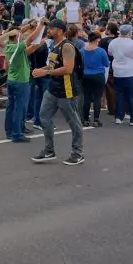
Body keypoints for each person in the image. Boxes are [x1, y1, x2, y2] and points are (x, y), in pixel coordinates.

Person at [31, 19, 85, 165]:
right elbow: (51, 66)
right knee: (43, 118)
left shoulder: (67, 46)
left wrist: (44, 73)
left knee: (74, 123)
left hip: (67, 90)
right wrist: (41, 70)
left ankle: (77, 153)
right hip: (53, 89)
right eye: (48, 28)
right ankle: (49, 151)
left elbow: (68, 69)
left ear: (60, 31)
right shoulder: (55, 46)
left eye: (51, 29)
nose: (48, 31)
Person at [3, 23, 43, 143]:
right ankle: (17, 134)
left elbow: (31, 48)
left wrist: (30, 27)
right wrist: (40, 26)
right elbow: (30, 39)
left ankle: (10, 131)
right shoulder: (18, 46)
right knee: (19, 108)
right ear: (16, 36)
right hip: (21, 81)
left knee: (11, 107)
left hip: (12, 79)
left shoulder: (8, 44)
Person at [106, 24, 133, 127]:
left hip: (118, 72)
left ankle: (119, 117)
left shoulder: (113, 42)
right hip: (132, 72)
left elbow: (110, 54)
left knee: (120, 95)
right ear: (130, 32)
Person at [80, 32, 110, 127]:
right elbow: (106, 64)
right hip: (98, 75)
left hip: (85, 75)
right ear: (97, 40)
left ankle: (85, 119)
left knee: (87, 97)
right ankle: (96, 119)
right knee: (97, 98)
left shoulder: (82, 51)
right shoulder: (101, 51)